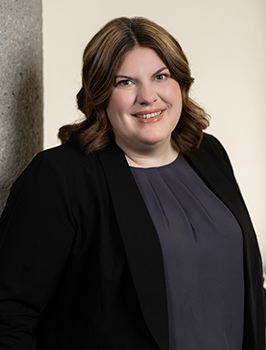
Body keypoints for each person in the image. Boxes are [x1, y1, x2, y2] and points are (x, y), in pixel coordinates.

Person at [0, 16, 264, 350]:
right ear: (100, 95)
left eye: (160, 76)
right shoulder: (62, 176)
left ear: (180, 84)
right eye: (125, 82)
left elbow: (246, 286)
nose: (148, 96)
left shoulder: (207, 152)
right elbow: (9, 313)